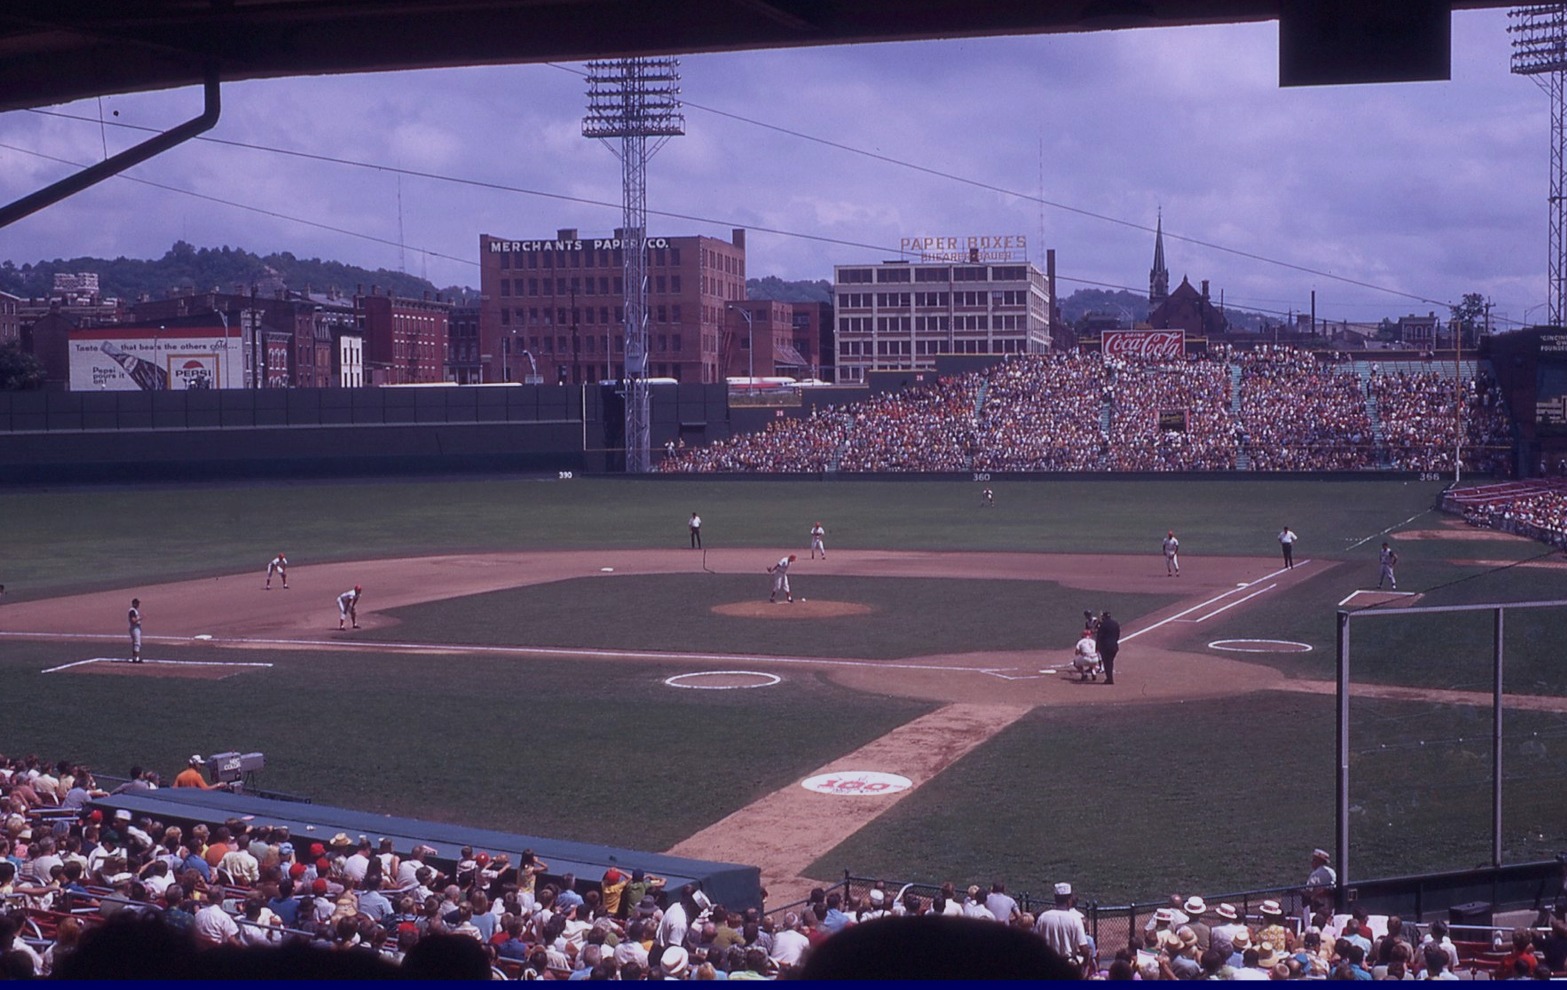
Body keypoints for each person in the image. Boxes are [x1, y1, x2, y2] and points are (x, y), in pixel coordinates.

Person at [1095, 610, 1121, 686]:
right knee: (1110, 662)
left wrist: (1097, 647)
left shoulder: (1103, 625)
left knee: (1107, 663)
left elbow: (1099, 636)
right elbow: (1117, 635)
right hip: (1114, 646)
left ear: (1104, 617)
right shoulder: (1115, 623)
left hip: (1105, 647)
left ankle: (1109, 679)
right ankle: (1109, 678)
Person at [127, 598, 143, 664]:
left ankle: (135, 658)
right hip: (134, 628)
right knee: (137, 643)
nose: (138, 604)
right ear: (134, 603)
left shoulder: (134, 611)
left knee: (135, 643)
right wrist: (140, 618)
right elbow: (133, 620)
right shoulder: (132, 611)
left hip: (135, 628)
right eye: (137, 603)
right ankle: (136, 658)